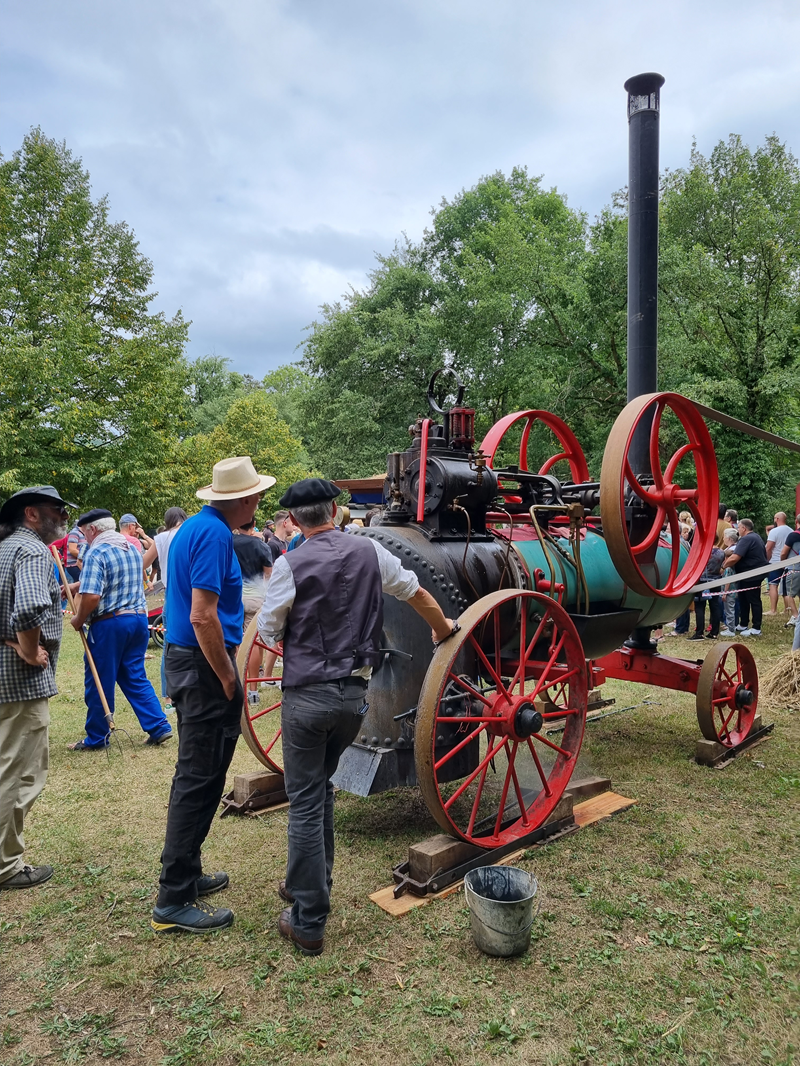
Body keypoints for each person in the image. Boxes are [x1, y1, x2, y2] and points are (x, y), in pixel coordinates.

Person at [257, 478, 457, 956]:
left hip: (306, 698)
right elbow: (416, 592)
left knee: (304, 800)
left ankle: (308, 919)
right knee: (319, 789)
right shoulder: (371, 553)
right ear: (335, 510)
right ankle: (311, 883)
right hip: (353, 700)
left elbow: (268, 628)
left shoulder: (290, 563)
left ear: (294, 521)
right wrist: (443, 629)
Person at [151, 455, 275, 935]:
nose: (260, 501)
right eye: (257, 494)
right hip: (202, 667)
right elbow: (203, 616)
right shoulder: (215, 534)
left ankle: (189, 873)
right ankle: (173, 898)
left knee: (200, 773)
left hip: (191, 661)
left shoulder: (197, 528)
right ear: (242, 499)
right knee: (199, 778)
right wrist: (227, 677)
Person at [0, 486, 74, 890]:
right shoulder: (31, 551)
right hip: (19, 684)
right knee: (18, 773)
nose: (62, 516)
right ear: (31, 513)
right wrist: (28, 650)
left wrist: (11, 640)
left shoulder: (4, 548)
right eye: (56, 510)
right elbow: (28, 607)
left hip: (5, 678)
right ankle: (6, 865)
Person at [65, 510, 172, 750]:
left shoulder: (96, 552)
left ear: (92, 530)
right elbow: (117, 577)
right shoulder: (130, 548)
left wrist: (78, 619)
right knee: (134, 675)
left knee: (99, 680)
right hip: (137, 621)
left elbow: (92, 596)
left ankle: (97, 737)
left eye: (84, 533)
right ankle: (159, 726)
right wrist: (76, 584)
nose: (84, 538)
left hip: (110, 623)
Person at [142, 508, 188, 711]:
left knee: (170, 645)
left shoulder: (160, 538)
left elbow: (143, 563)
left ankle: (168, 699)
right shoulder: (190, 532)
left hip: (172, 594)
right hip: (193, 591)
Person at [233, 518, 275, 698]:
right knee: (253, 644)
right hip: (255, 597)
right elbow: (268, 574)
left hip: (233, 598)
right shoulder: (260, 544)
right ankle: (253, 691)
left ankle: (235, 685)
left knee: (235, 641)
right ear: (254, 524)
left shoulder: (229, 542)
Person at [725, 519, 768, 637]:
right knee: (743, 598)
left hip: (752, 574)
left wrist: (723, 566)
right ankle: (743, 623)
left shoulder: (746, 539)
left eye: (739, 528)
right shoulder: (756, 537)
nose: (738, 530)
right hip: (747, 574)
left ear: (744, 528)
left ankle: (756, 628)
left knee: (754, 600)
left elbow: (735, 557)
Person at [689, 543, 725, 640]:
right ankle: (714, 633)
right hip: (716, 581)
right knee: (715, 607)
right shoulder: (721, 552)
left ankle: (699, 633)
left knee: (700, 607)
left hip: (702, 581)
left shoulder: (701, 551)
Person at [764, 513, 792, 615]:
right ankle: (787, 609)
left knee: (773, 585)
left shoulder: (774, 531)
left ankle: (773, 610)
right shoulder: (791, 531)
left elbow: (768, 547)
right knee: (786, 587)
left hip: (775, 561)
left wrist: (766, 560)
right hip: (788, 561)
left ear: (777, 519)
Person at [780, 515, 800, 627]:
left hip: (793, 568)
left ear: (796, 521)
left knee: (788, 593)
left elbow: (784, 552)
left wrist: (783, 563)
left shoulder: (793, 535)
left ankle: (796, 617)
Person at [719, 528, 740, 637]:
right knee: (729, 609)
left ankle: (731, 629)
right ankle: (731, 626)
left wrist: (724, 593)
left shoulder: (728, 569)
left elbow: (728, 580)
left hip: (729, 592)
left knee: (729, 610)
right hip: (732, 591)